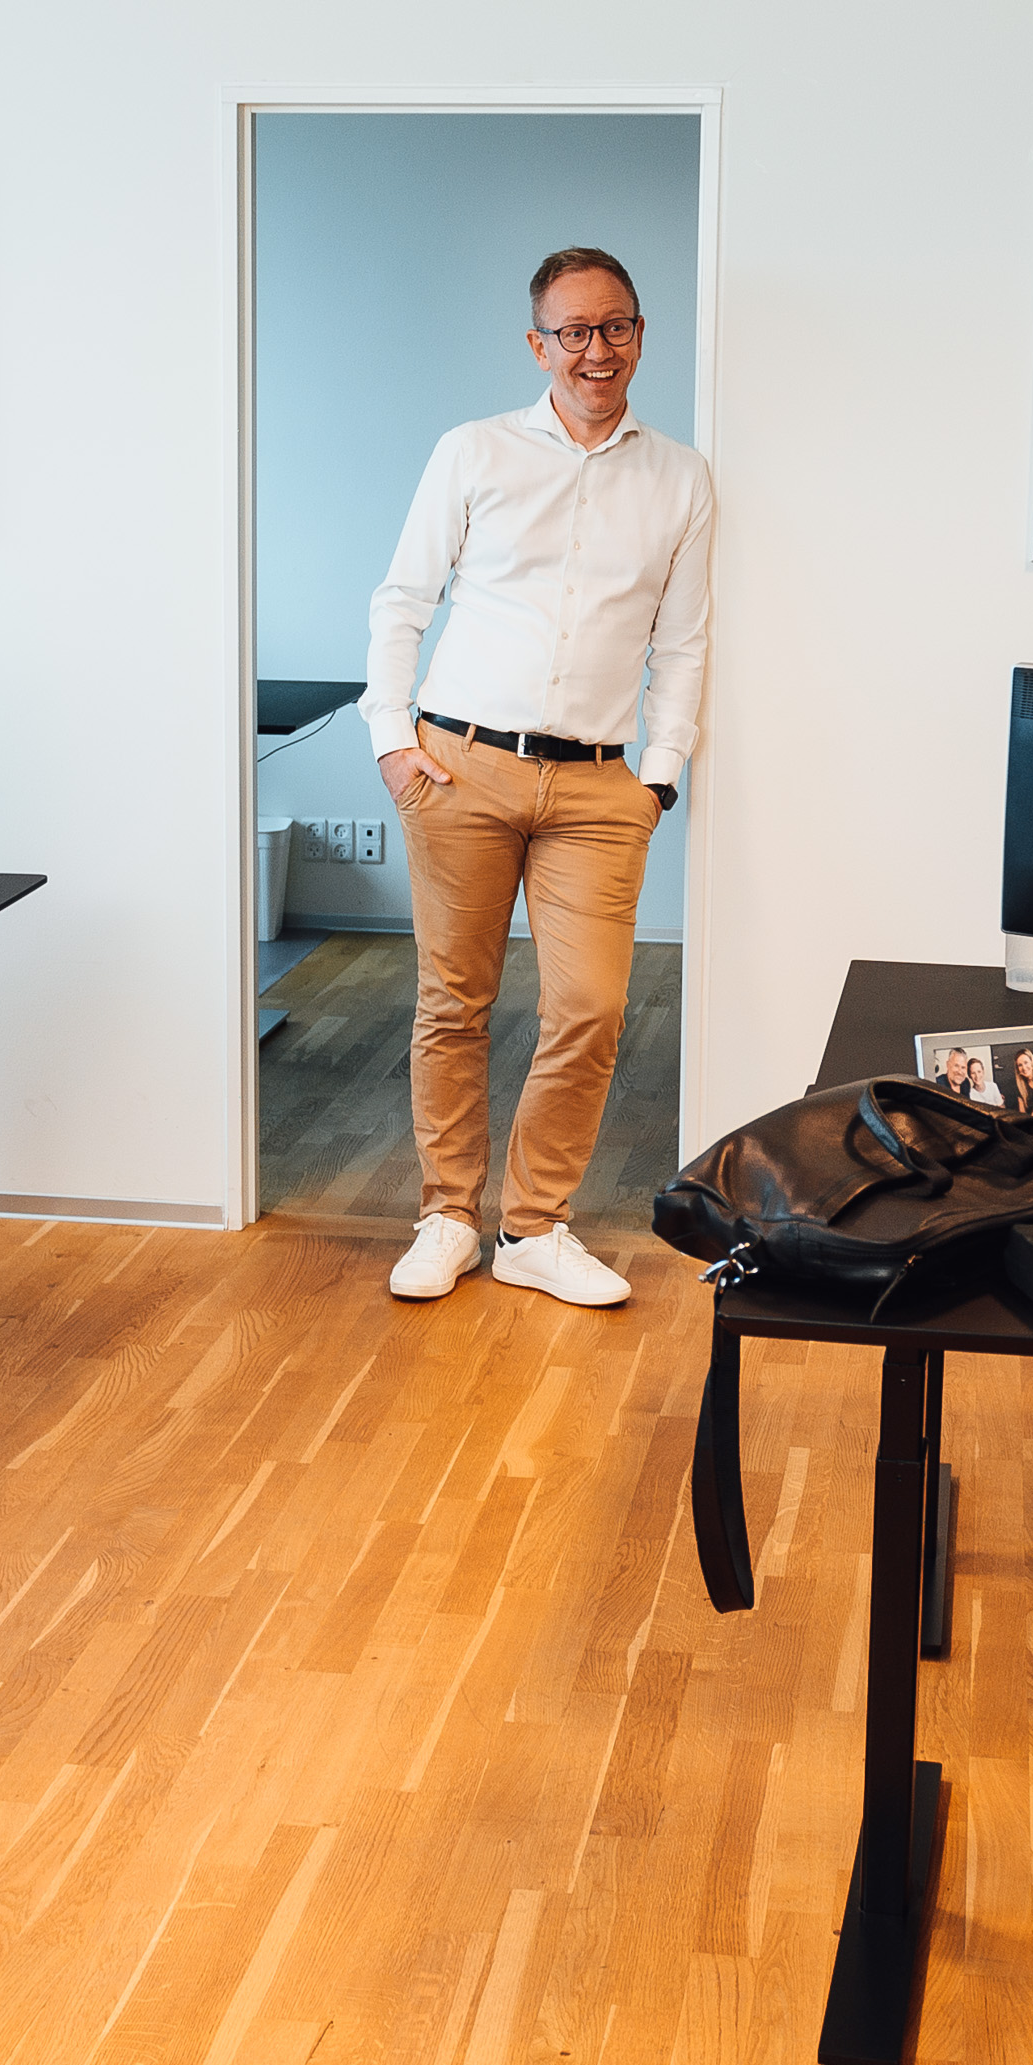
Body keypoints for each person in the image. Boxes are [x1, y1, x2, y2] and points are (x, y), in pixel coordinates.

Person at [368, 247, 715, 1311]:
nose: (595, 350)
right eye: (573, 331)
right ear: (539, 345)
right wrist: (392, 740)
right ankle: (447, 1216)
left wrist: (658, 779)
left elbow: (683, 643)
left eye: (615, 327)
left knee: (591, 1009)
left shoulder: (681, 478)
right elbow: (403, 600)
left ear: (640, 335)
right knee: (454, 1003)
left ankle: (532, 1228)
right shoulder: (473, 452)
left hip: (600, 790)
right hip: (459, 767)